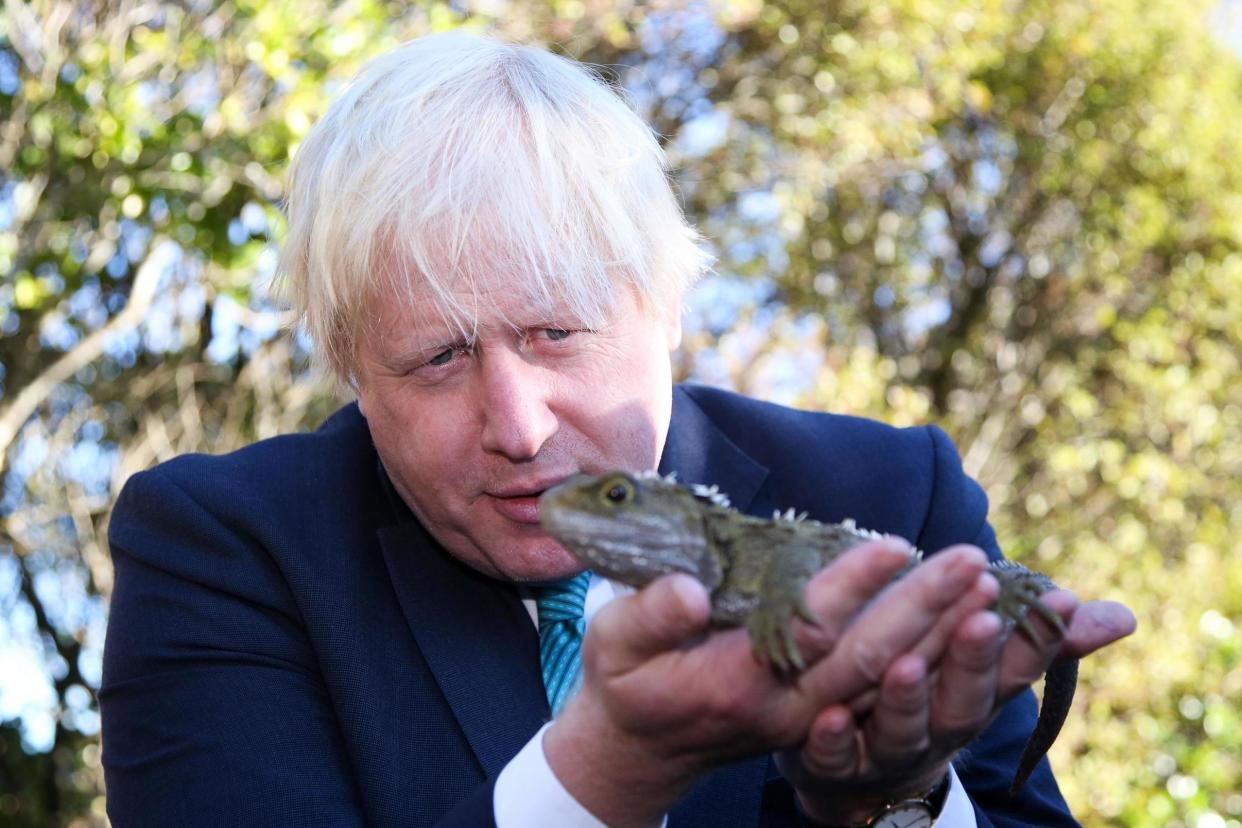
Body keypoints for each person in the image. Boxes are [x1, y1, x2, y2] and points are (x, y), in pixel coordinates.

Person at [100, 32, 1135, 827]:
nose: (515, 424)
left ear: (669, 306)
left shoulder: (890, 493)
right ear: (351, 372)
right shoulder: (226, 551)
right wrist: (601, 775)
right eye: (436, 359)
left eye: (555, 332)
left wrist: (893, 799)